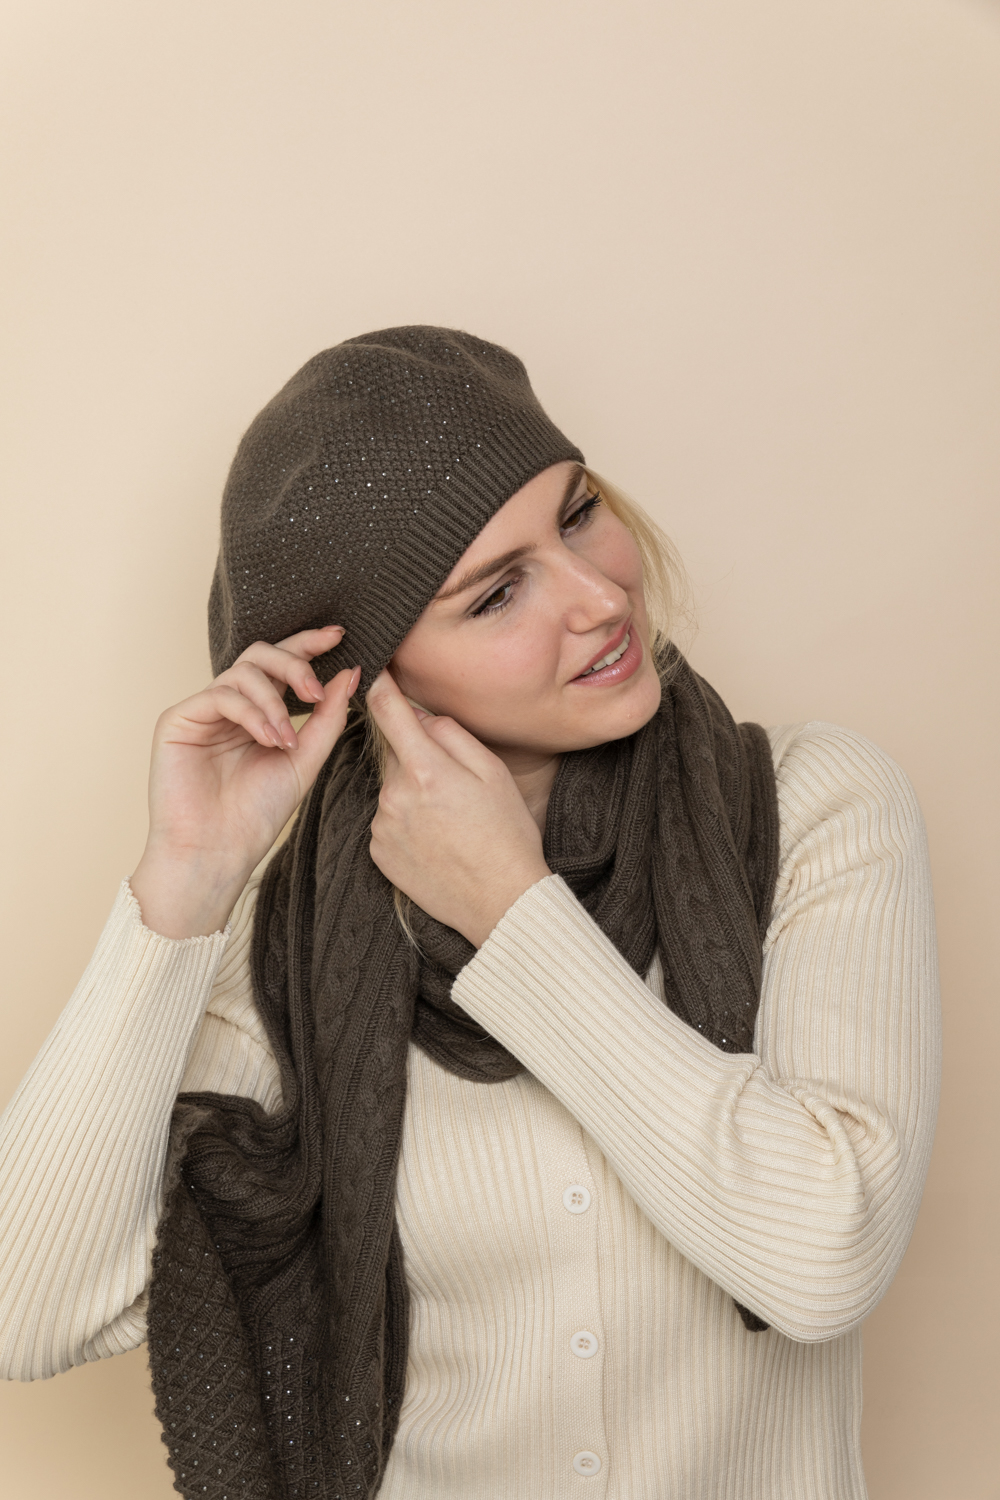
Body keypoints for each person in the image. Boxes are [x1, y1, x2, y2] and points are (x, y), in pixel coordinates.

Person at [0, 326, 940, 1500]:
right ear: (373, 678)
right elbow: (24, 1310)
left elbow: (820, 1257)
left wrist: (512, 911)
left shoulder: (811, 807)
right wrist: (191, 876)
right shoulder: (295, 945)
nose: (600, 596)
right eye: (498, 592)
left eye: (579, 511)